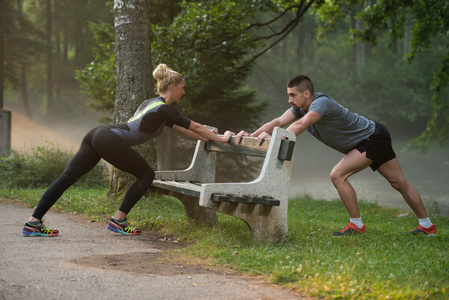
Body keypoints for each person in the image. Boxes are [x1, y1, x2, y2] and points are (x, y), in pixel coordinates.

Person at [22, 64, 234, 237]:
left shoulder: (152, 104)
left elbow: (188, 131)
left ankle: (33, 222)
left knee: (67, 178)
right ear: (172, 87)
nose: (184, 91)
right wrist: (223, 139)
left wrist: (213, 138)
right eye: (182, 87)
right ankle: (118, 220)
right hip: (110, 139)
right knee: (146, 174)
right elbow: (195, 127)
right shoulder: (164, 109)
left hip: (97, 134)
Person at [236, 75, 436, 236]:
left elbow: (301, 125)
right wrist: (251, 137)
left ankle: (356, 225)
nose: (289, 100)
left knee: (337, 175)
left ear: (307, 94)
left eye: (293, 95)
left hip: (372, 138)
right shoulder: (299, 109)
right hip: (372, 137)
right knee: (398, 182)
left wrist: (274, 140)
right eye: (288, 95)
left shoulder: (321, 103)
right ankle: (427, 226)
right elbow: (278, 121)